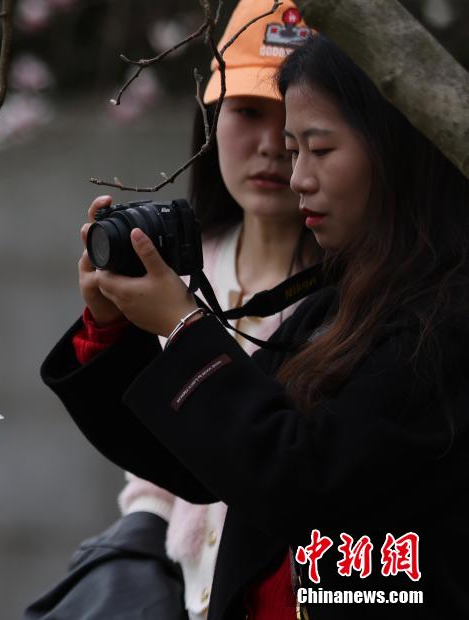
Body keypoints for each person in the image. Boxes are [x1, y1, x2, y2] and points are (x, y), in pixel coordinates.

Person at [40, 31, 469, 620]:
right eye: (296, 152)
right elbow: (204, 461)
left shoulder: (444, 321)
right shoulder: (339, 304)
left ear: (396, 150)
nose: (297, 177)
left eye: (318, 149)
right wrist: (109, 329)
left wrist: (186, 326)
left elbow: (301, 481)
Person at [25, 2, 317, 618]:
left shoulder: (364, 290)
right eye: (246, 111)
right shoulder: (184, 262)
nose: (270, 144)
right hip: (182, 591)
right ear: (209, 118)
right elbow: (159, 466)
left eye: (294, 118)